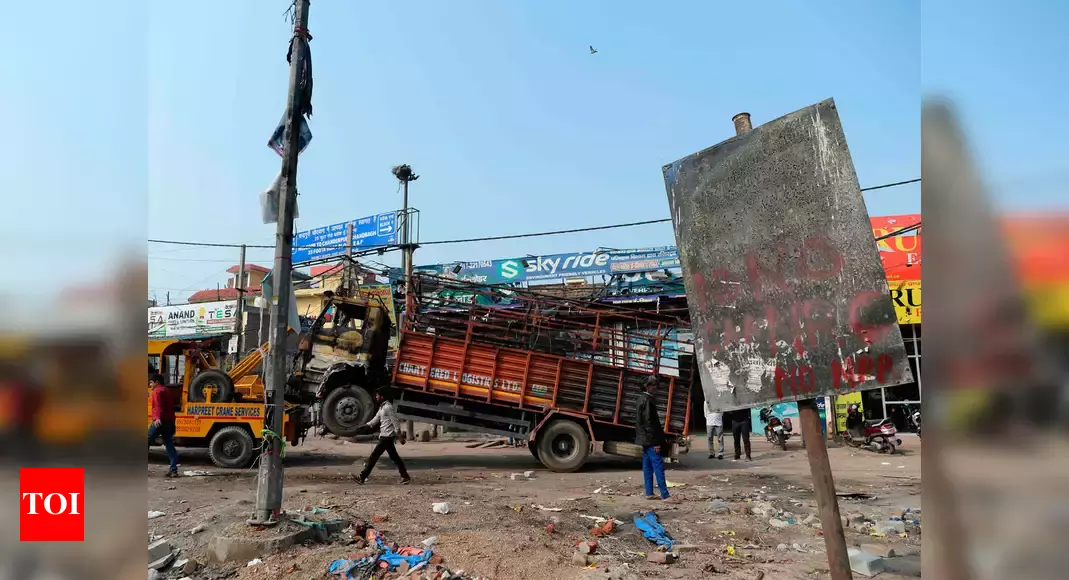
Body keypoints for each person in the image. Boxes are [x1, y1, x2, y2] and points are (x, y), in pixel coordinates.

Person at [352, 388, 411, 485]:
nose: (376, 397)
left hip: (386, 437)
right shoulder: (381, 408)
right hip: (384, 437)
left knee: (373, 457)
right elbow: (375, 420)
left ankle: (362, 477)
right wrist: (364, 426)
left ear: (382, 396)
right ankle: (405, 476)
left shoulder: (388, 407)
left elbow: (395, 421)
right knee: (395, 458)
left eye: (377, 395)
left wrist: (399, 435)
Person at [635, 376, 678, 502]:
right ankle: (665, 495)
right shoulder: (648, 400)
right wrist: (655, 442)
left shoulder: (640, 399)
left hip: (644, 439)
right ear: (648, 386)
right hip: (651, 440)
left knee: (647, 466)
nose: (656, 388)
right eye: (654, 386)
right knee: (658, 466)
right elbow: (649, 423)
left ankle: (649, 492)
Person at [148, 373, 179, 477]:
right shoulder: (167, 391)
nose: (150, 384)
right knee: (169, 445)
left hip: (159, 421)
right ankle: (173, 470)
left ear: (157, 382)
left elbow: (158, 406)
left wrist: (156, 418)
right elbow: (171, 408)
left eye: (151, 382)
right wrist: (172, 423)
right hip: (168, 421)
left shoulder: (156, 391)